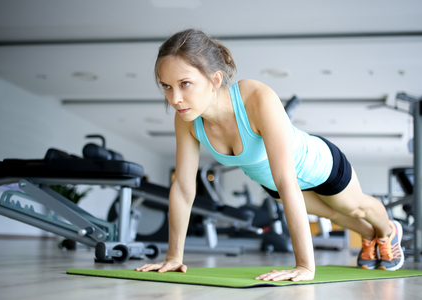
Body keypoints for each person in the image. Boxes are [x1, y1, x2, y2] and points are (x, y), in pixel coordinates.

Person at [135, 29, 404, 282]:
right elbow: (183, 188)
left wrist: (305, 266)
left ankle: (388, 231)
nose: (175, 98)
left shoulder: (255, 98)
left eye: (185, 84)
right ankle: (371, 237)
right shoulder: (187, 120)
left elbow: (287, 179)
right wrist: (173, 257)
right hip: (276, 183)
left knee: (353, 207)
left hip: (318, 165)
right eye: (167, 86)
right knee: (336, 216)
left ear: (215, 79)